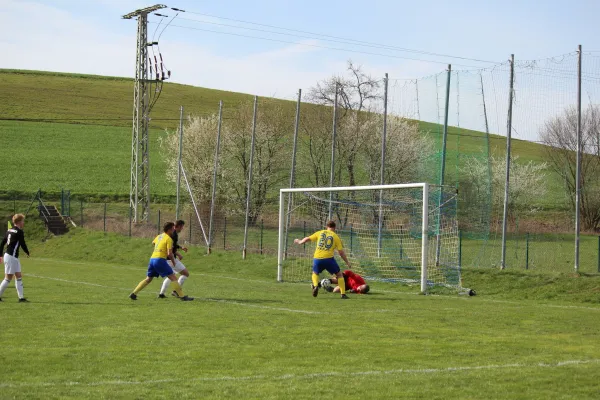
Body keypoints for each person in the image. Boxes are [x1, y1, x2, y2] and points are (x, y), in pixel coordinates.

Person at [129, 222, 193, 301]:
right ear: (169, 229)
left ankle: (133, 294)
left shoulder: (159, 236)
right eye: (173, 229)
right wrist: (173, 262)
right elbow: (170, 254)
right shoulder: (169, 239)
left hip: (152, 259)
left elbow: (153, 243)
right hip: (160, 260)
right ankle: (182, 297)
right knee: (173, 278)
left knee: (148, 279)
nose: (174, 230)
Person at [294, 220, 351, 299]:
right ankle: (343, 294)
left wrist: (300, 241)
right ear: (334, 228)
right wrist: (347, 262)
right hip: (329, 259)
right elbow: (341, 252)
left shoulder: (320, 232)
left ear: (327, 227)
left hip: (317, 258)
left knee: (315, 273)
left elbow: (308, 238)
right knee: (339, 275)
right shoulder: (336, 237)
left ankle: (316, 286)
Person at [0, 214, 30, 302]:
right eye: (23, 221)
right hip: (11, 257)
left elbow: (2, 243)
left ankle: (21, 298)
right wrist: (27, 252)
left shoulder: (9, 231)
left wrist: (0, 255)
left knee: (18, 276)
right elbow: (22, 243)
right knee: (8, 278)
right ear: (19, 222)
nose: (23, 223)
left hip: (11, 257)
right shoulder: (20, 232)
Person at [158, 219, 190, 298]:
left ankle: (162, 293)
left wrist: (181, 247)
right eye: (182, 227)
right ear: (178, 226)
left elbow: (173, 245)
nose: (182, 229)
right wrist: (179, 254)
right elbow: (171, 248)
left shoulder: (169, 234)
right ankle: (176, 292)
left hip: (164, 258)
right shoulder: (174, 234)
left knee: (171, 275)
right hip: (170, 258)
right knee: (186, 273)